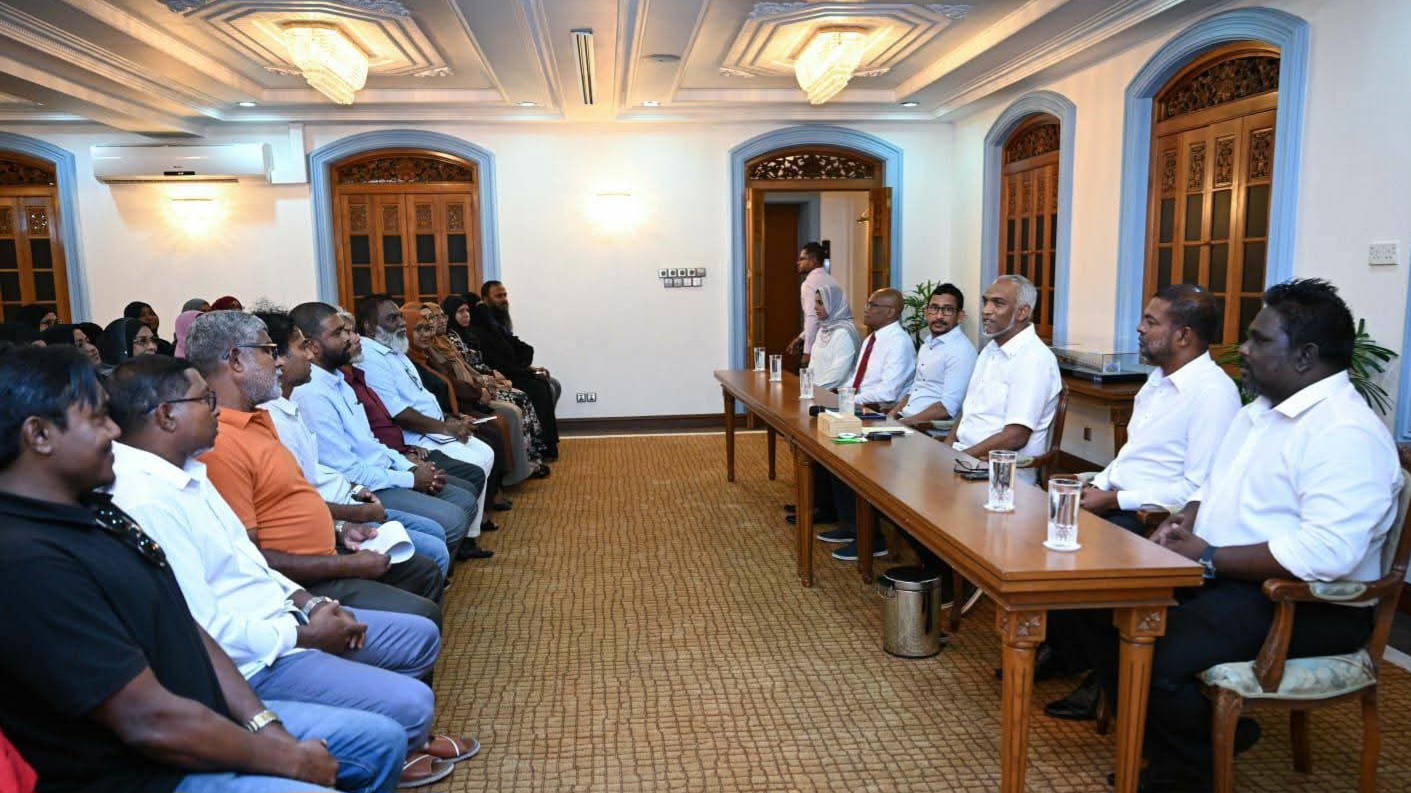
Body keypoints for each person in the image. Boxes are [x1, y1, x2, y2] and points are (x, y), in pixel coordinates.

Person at [0, 345, 405, 793]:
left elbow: (189, 628)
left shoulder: (95, 509)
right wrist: (287, 758)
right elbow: (147, 720)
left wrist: (265, 726)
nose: (114, 430)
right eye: (97, 419)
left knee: (380, 741)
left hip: (209, 710)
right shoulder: (28, 561)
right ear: (39, 434)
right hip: (149, 772)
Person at [1067, 278, 1401, 793]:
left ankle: (1187, 773)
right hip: (1227, 578)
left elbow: (1328, 552)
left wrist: (1211, 555)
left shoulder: (1345, 433)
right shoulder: (1259, 413)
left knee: (1159, 648)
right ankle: (1198, 739)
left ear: (1306, 356)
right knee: (1099, 606)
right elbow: (1211, 486)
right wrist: (1188, 518)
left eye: (1260, 340)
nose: (1242, 349)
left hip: (1305, 603)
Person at [104, 355, 468, 789]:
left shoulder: (189, 471)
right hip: (257, 658)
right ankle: (392, 741)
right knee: (408, 708)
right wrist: (305, 634)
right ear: (166, 415)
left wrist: (311, 604)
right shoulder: (147, 501)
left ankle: (397, 735)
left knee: (418, 637)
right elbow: (206, 629)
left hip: (286, 614)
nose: (216, 410)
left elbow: (248, 559)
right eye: (205, 400)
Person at [1044, 284, 1242, 723]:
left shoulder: (1213, 394)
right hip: (1118, 496)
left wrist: (1114, 498)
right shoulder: (1157, 381)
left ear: (1183, 335)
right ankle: (1067, 651)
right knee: (1045, 534)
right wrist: (1096, 484)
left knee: (1087, 556)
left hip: (1154, 518)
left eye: (1151, 322)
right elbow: (1132, 456)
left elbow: (1199, 489)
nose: (1139, 328)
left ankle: (1106, 676)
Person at [183, 310, 447, 625]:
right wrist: (346, 564)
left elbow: (292, 497)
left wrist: (340, 528)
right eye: (268, 351)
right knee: (422, 615)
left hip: (330, 546)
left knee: (423, 571)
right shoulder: (219, 442)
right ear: (237, 360)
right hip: (300, 582)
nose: (278, 362)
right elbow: (249, 558)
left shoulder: (258, 418)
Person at [258, 310, 457, 577]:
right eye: (303, 347)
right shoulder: (301, 401)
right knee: (438, 542)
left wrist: (394, 473)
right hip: (343, 506)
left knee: (439, 528)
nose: (352, 338)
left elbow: (342, 457)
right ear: (278, 360)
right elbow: (304, 494)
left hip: (358, 488)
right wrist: (355, 513)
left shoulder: (324, 388)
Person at [289, 302, 489, 562]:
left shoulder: (340, 381)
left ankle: (433, 568)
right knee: (452, 518)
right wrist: (410, 478)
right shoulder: (311, 394)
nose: (350, 337)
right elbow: (348, 470)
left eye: (348, 331)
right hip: (364, 488)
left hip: (383, 470)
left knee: (463, 498)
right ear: (313, 346)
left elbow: (371, 443)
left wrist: (409, 466)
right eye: (339, 333)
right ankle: (430, 570)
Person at [356, 295, 497, 547]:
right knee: (475, 463)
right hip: (415, 435)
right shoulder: (371, 356)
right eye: (392, 318)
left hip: (432, 427)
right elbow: (397, 412)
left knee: (485, 451)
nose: (401, 323)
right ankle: (465, 539)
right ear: (369, 326)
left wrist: (449, 420)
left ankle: (469, 533)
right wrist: (445, 427)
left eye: (400, 317)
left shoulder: (395, 349)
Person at [816, 287, 917, 562]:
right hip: (860, 407)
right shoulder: (873, 337)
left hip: (880, 414)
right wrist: (844, 394)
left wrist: (849, 398)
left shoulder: (898, 342)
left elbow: (888, 391)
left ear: (891, 312)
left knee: (850, 464)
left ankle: (872, 538)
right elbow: (857, 378)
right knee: (828, 452)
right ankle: (849, 525)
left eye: (873, 305)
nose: (866, 308)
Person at [946, 274, 1060, 485]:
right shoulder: (990, 349)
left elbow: (1015, 436)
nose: (986, 310)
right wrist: (945, 450)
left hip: (1000, 472)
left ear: (1022, 312)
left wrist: (956, 460)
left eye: (998, 303)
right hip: (967, 458)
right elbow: (967, 411)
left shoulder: (1033, 359)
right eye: (986, 301)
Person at [407, 301, 522, 493]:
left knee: (508, 413)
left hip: (459, 405)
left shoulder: (437, 346)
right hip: (446, 415)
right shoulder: (413, 359)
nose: (432, 327)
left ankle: (505, 483)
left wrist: (483, 383)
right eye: (423, 325)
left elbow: (464, 370)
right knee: (494, 429)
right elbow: (447, 385)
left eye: (436, 319)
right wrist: (456, 414)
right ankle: (497, 491)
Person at [443, 294, 551, 475]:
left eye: (467, 310)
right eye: (460, 312)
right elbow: (465, 372)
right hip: (475, 390)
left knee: (525, 394)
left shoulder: (468, 335)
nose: (466, 315)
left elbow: (479, 364)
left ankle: (532, 457)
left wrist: (493, 375)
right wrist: (489, 380)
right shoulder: (451, 339)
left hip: (485, 381)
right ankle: (524, 464)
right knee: (519, 400)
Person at [470, 284, 560, 458]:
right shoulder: (481, 328)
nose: (504, 300)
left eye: (505, 295)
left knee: (551, 384)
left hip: (513, 371)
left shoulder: (498, 323)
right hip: (502, 377)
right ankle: (541, 446)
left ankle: (547, 441)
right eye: (498, 296)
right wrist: (526, 370)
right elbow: (497, 361)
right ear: (485, 300)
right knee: (540, 388)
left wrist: (529, 369)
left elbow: (518, 348)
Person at [887, 283, 977, 427]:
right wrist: (892, 415)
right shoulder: (928, 344)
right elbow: (914, 389)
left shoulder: (961, 351)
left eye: (947, 310)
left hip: (928, 429)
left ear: (960, 316)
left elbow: (947, 408)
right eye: (934, 308)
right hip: (907, 421)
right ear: (926, 312)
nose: (939, 316)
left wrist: (903, 423)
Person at [785, 242, 843, 366]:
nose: (798, 262)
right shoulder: (833, 281)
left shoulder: (809, 284)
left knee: (811, 378)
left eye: (802, 259)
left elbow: (813, 317)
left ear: (813, 261)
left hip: (821, 345)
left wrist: (807, 352)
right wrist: (801, 337)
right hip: (838, 342)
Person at [806, 281, 859, 389]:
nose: (815, 307)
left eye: (820, 303)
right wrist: (807, 386)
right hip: (817, 390)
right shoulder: (823, 329)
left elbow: (838, 375)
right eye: (815, 302)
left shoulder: (845, 333)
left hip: (836, 393)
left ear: (834, 304)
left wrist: (814, 389)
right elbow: (813, 363)